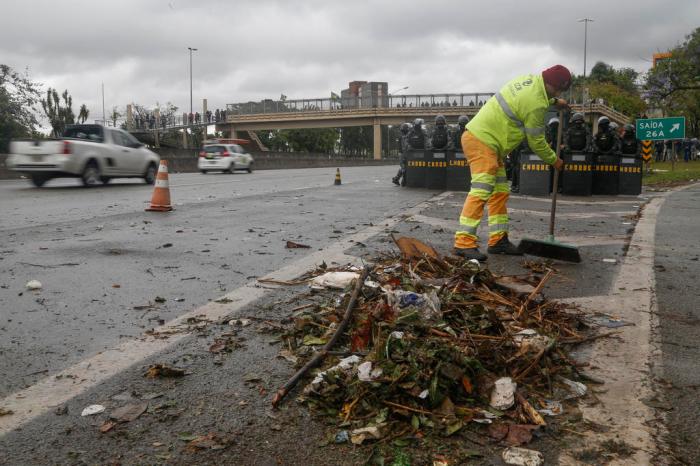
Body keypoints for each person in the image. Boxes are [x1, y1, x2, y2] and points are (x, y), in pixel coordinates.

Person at [453, 65, 570, 261]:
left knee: (499, 192)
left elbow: (532, 99)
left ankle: (498, 241)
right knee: (481, 190)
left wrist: (555, 102)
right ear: (554, 85)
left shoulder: (530, 80)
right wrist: (554, 160)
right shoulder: (536, 105)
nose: (560, 93)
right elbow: (536, 142)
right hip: (482, 141)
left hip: (489, 143)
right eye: (560, 90)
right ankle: (463, 242)